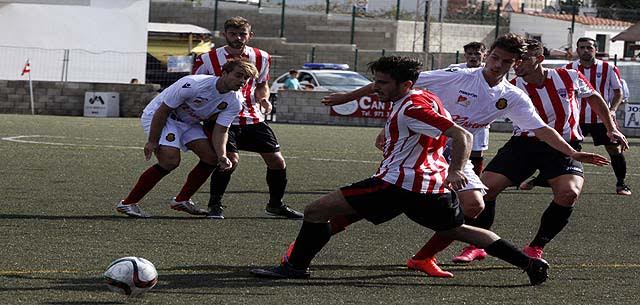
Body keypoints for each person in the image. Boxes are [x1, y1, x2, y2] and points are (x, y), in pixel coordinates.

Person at [316, 33, 609, 277]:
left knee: (473, 206)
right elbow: (398, 81)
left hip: (457, 152)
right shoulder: (456, 76)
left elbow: (541, 129)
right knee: (385, 202)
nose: (498, 65)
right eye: (494, 58)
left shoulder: (513, 96)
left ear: (515, 63)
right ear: (488, 55)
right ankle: (317, 236)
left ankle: (422, 258)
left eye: (506, 61)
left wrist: (572, 152)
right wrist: (347, 96)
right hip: (419, 149)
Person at [250, 56, 550, 286]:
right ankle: (529, 264)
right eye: (376, 81)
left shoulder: (413, 107)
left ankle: (295, 267)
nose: (376, 87)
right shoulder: (423, 98)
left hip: (397, 183)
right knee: (457, 230)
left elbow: (462, 135)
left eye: (382, 83)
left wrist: (458, 169)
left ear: (405, 85)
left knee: (316, 210)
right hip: (430, 187)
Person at [475, 39, 627, 261]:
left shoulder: (569, 76)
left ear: (540, 60)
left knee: (569, 193)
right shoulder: (511, 87)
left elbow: (594, 97)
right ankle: (479, 244)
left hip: (565, 146)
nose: (517, 64)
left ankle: (536, 246)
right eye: (515, 60)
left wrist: (611, 128)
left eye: (523, 59)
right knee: (484, 190)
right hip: (524, 145)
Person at [116, 60, 258, 218]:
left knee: (211, 159)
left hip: (189, 122)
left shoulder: (235, 101)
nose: (242, 81)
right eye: (238, 75)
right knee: (170, 161)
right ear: (224, 73)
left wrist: (222, 155)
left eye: (246, 78)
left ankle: (182, 200)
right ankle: (128, 203)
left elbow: (221, 130)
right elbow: (162, 111)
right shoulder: (193, 85)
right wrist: (152, 141)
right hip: (161, 116)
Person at [192, 16, 303, 219]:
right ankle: (215, 205)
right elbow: (195, 84)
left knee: (277, 162)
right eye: (233, 34)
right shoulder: (207, 58)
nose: (238, 38)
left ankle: (275, 205)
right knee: (230, 160)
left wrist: (264, 100)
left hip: (252, 117)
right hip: (221, 118)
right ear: (224, 34)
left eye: (242, 34)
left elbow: (262, 84)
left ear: (250, 35)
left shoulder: (262, 57)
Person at [566, 37, 631, 196]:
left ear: (596, 49)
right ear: (577, 50)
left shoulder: (608, 67)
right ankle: (548, 180)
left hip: (602, 118)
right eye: (582, 47)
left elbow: (618, 92)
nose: (586, 50)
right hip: (576, 118)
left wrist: (612, 110)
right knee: (566, 150)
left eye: (589, 47)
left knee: (614, 149)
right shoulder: (568, 68)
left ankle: (621, 184)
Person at [447, 41, 488, 176]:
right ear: (465, 56)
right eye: (470, 54)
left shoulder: (490, 71)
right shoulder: (455, 69)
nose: (473, 57)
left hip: (479, 118)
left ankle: (475, 179)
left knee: (476, 151)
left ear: (484, 55)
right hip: (456, 117)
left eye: (477, 53)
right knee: (449, 150)